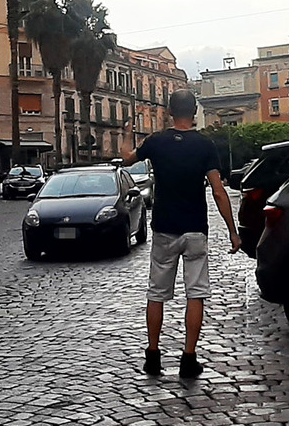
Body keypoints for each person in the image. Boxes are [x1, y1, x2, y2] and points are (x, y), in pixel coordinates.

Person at [120, 90, 241, 378]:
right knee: (195, 294)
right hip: (195, 229)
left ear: (169, 112)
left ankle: (152, 356)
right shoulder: (205, 145)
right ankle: (189, 358)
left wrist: (126, 131)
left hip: (164, 227)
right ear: (194, 112)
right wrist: (233, 232)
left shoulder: (156, 142)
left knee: (156, 294)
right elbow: (219, 191)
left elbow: (126, 158)